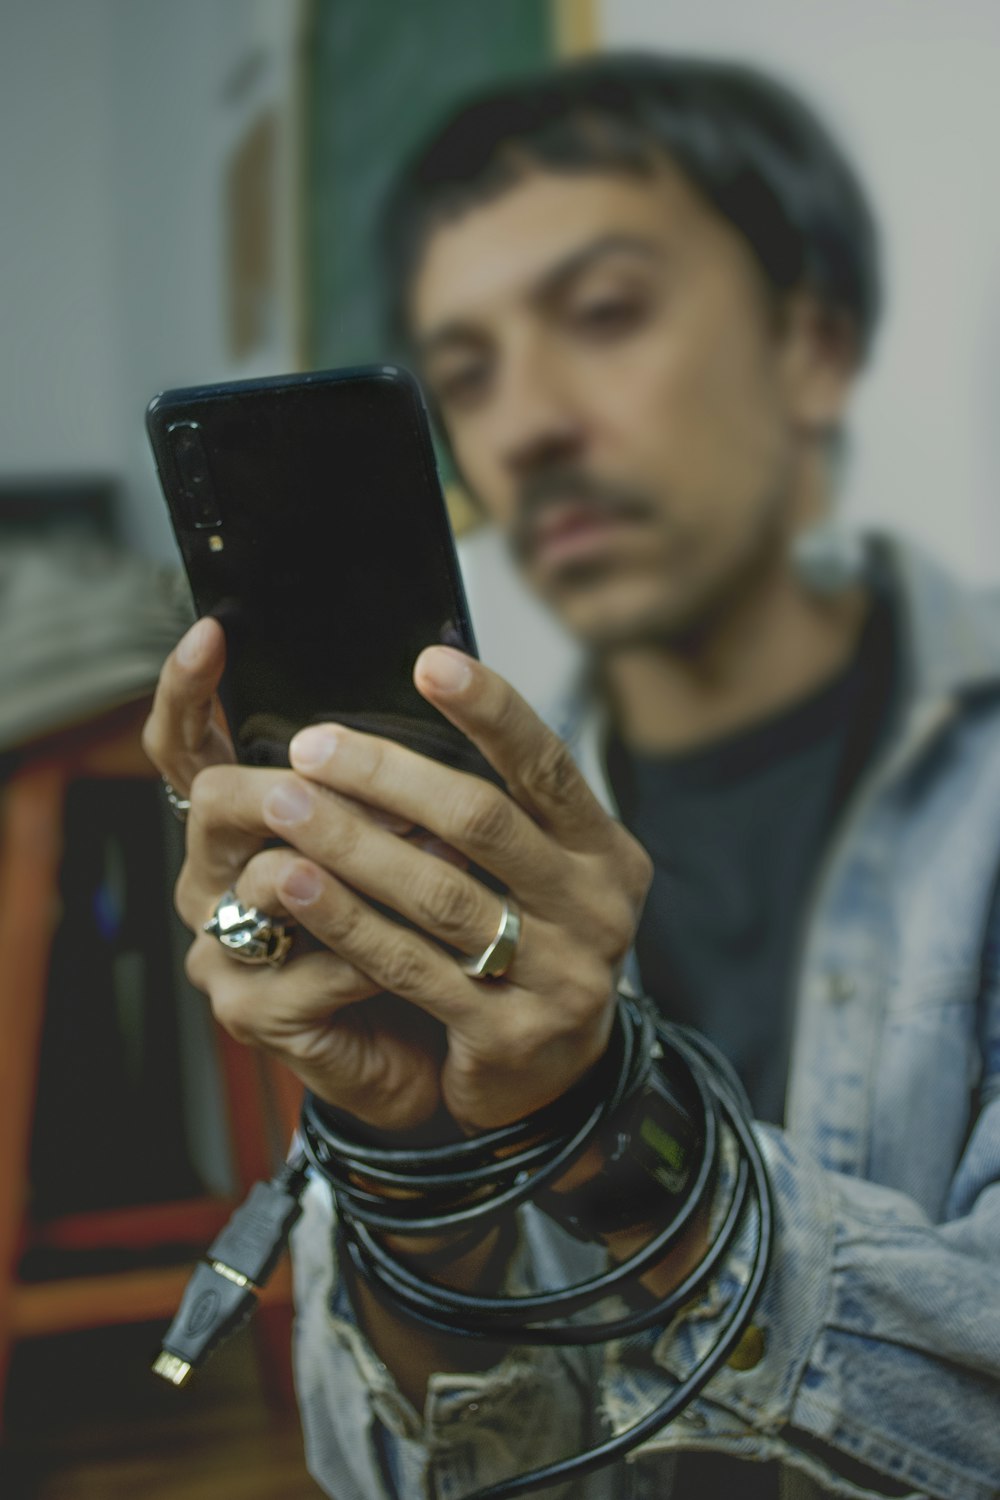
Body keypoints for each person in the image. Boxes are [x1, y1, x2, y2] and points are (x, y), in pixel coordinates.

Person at [142, 54, 1000, 1500]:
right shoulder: (465, 829)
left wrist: (613, 1121)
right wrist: (405, 1162)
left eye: (603, 315)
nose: (524, 425)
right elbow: (393, 1480)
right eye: (464, 372)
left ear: (813, 342)